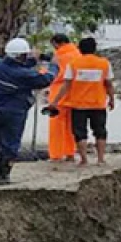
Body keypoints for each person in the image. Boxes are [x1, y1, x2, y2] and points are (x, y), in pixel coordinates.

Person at [0, 38, 56, 185]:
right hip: (13, 112)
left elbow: (15, 67)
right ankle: (3, 176)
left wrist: (33, 60)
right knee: (10, 144)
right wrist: (54, 65)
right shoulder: (24, 75)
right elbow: (46, 79)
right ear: (21, 56)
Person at [48, 37, 114, 166]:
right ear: (95, 49)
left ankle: (84, 159)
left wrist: (55, 101)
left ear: (80, 48)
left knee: (80, 132)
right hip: (98, 103)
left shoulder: (74, 64)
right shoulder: (104, 63)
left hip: (78, 104)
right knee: (100, 131)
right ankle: (100, 159)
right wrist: (111, 99)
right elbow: (109, 84)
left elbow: (66, 85)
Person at [45, 34, 81, 162]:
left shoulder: (59, 56)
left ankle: (56, 154)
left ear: (56, 43)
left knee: (56, 125)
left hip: (58, 93)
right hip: (75, 94)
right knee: (70, 125)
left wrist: (40, 73)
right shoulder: (77, 54)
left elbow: (54, 74)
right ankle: (70, 152)